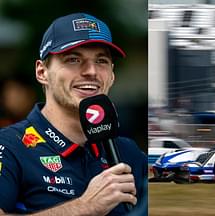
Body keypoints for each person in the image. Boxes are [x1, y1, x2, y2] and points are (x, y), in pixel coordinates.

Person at [0, 13, 147, 215]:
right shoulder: (9, 146)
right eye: (73, 59)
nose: (91, 71)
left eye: (101, 60)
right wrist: (84, 207)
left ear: (112, 74)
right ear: (42, 72)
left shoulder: (128, 151)